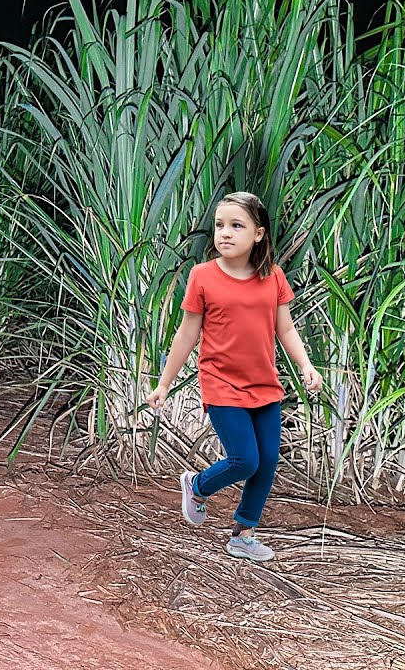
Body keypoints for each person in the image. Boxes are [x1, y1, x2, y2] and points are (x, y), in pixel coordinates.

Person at [146, 192, 321, 562]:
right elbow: (186, 334)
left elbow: (285, 329)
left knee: (268, 460)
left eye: (236, 226)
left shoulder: (272, 276)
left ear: (258, 234)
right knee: (245, 459)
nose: (224, 233)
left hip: (265, 385)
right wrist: (164, 382)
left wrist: (306, 365)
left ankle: (243, 534)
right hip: (221, 383)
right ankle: (197, 485)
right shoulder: (203, 277)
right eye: (220, 225)